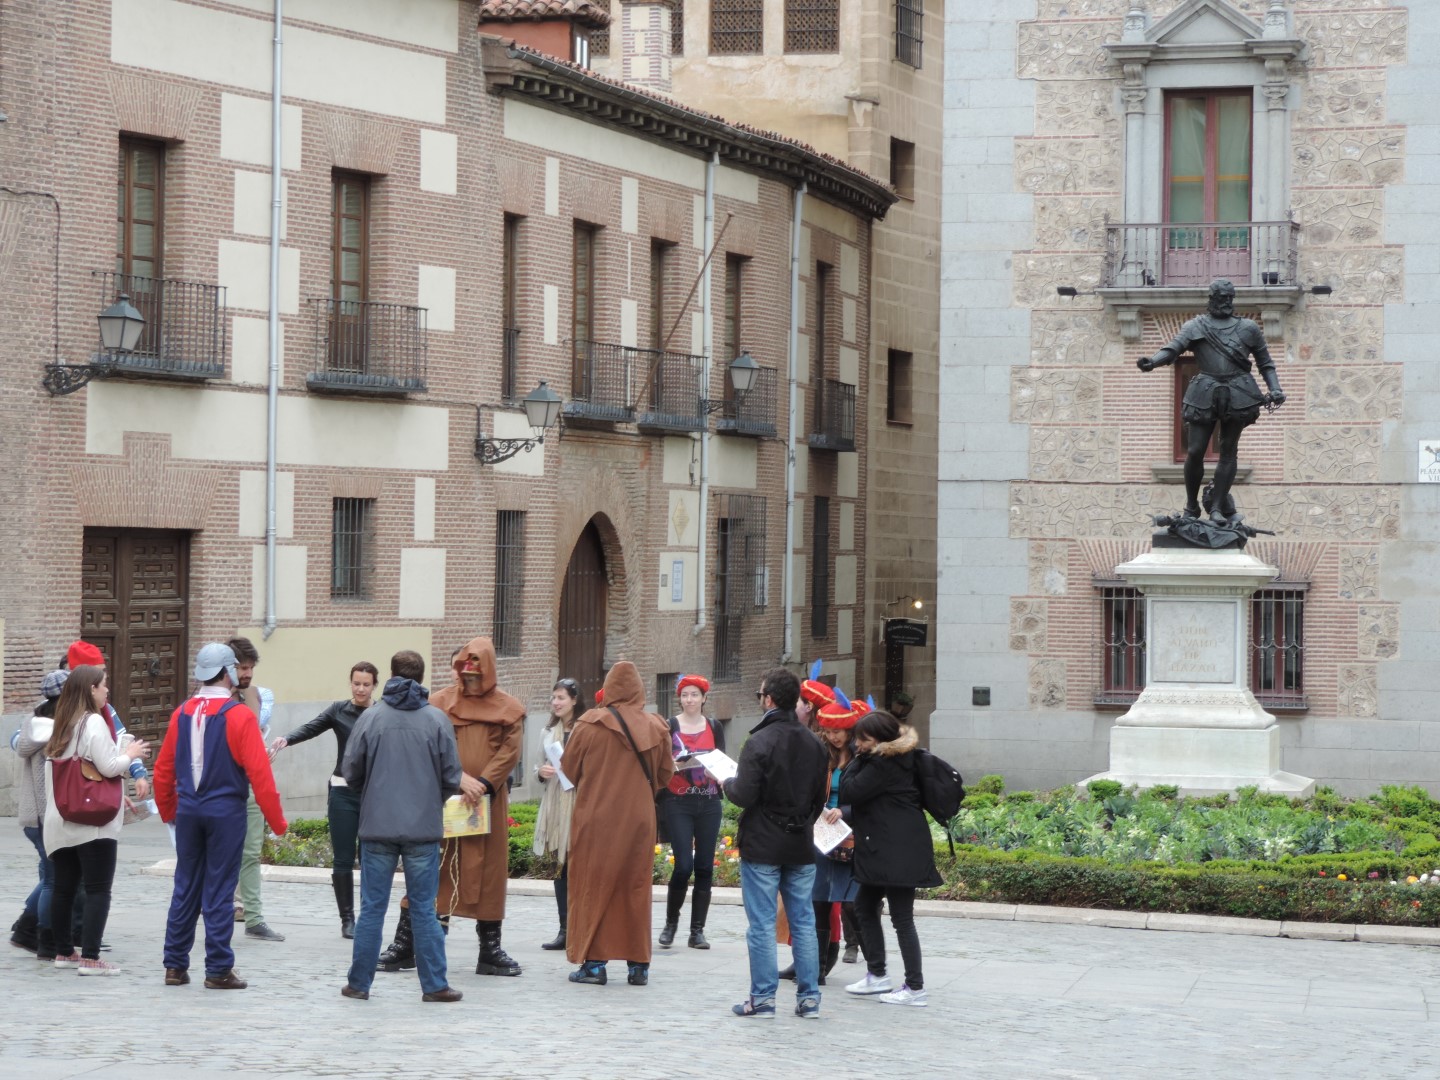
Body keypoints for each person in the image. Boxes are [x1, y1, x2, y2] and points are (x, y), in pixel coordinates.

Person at [154, 643, 288, 990]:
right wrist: (277, 823)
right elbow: (261, 775)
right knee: (219, 889)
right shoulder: (240, 715)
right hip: (226, 812)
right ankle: (217, 968)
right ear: (228, 672)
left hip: (189, 811)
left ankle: (174, 965)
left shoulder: (182, 712)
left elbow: (163, 770)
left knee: (185, 886)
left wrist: (171, 812)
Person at [340, 649, 464, 1002]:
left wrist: (373, 795)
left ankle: (359, 983)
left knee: (372, 909)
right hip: (422, 830)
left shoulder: (371, 718)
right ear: (421, 678)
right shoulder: (437, 720)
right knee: (425, 908)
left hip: (377, 827)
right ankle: (435, 985)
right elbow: (452, 776)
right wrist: (429, 802)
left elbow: (351, 771)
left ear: (391, 675)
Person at [723, 667, 829, 1019]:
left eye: (760, 694)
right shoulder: (815, 743)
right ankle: (809, 998)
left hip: (763, 844)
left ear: (768, 699)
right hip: (800, 843)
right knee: (803, 922)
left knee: (763, 924)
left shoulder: (759, 741)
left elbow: (742, 795)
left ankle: (763, 999)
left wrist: (726, 782)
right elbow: (819, 798)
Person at [562, 661, 675, 986]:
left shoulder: (589, 723)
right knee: (635, 889)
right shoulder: (656, 726)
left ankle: (595, 964)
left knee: (594, 886)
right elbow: (665, 775)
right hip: (639, 818)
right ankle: (638, 965)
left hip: (596, 817)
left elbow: (569, 770)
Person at [1137, 278, 1285, 523]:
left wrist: (1276, 388)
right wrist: (1152, 362)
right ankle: (1191, 506)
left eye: (1229, 298)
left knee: (1228, 450)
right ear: (1211, 299)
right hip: (1205, 389)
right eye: (1220, 298)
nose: (1225, 302)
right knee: (1195, 451)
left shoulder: (1248, 328)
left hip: (1238, 390)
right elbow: (1173, 349)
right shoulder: (1196, 325)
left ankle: (1216, 507)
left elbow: (1265, 363)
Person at [42, 665, 149, 976]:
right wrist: (131, 753)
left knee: (64, 888)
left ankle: (64, 951)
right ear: (90, 689)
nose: (107, 691)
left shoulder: (61, 724)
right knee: (99, 888)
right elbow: (110, 766)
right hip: (92, 821)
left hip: (60, 818)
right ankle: (90, 957)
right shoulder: (93, 724)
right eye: (103, 686)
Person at [831, 710, 942, 1008]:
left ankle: (915, 987)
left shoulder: (884, 762)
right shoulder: (889, 759)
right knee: (864, 905)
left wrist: (856, 758)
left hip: (899, 850)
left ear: (880, 741)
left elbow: (850, 790)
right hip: (889, 847)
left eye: (863, 740)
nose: (858, 744)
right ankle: (877, 974)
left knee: (902, 918)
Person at [430, 636, 525, 976]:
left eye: (474, 671)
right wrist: (458, 778)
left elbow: (509, 751)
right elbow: (434, 745)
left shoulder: (508, 708)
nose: (467, 677)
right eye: (463, 670)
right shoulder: (439, 703)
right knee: (436, 867)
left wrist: (483, 783)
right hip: (448, 799)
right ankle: (414, 942)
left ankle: (490, 948)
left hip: (487, 801)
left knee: (489, 874)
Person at [269, 660, 379, 939]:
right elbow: (311, 727)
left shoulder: (381, 714)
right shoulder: (338, 710)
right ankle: (347, 919)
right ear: (350, 682)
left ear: (374, 685)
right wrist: (286, 739)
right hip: (342, 790)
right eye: (356, 683)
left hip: (373, 794)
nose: (361, 689)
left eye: (366, 684)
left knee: (370, 857)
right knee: (343, 857)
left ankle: (368, 917)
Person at [779, 693, 866, 986]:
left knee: (854, 905)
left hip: (851, 835)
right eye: (828, 731)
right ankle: (814, 968)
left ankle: (874, 968)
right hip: (821, 835)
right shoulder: (821, 753)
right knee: (817, 902)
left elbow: (872, 798)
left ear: (850, 730)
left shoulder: (862, 757)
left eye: (838, 732)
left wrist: (845, 811)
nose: (833, 737)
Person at [659, 673, 726, 951]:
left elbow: (722, 760)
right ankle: (670, 923)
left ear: (704, 698)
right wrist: (675, 766)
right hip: (678, 801)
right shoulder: (670, 725)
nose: (689, 700)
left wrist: (718, 772)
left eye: (694, 695)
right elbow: (661, 762)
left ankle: (697, 931)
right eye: (685, 695)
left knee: (705, 867)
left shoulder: (714, 726)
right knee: (684, 865)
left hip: (709, 801)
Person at [10, 669, 68, 959]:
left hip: (31, 817)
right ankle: (43, 937)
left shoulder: (31, 725)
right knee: (53, 880)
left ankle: (26, 928)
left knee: (48, 875)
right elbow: (49, 783)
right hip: (47, 817)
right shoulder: (56, 730)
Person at [228, 636, 283, 941]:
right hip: (221, 786)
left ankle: (254, 917)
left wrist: (262, 755)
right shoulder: (213, 695)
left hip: (249, 785)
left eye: (250, 667)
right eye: (241, 667)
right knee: (218, 852)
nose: (247, 673)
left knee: (250, 852)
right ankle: (216, 908)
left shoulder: (254, 696)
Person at [534, 677, 583, 951]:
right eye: (553, 698)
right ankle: (564, 929)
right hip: (554, 804)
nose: (556, 703)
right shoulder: (546, 732)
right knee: (559, 869)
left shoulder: (585, 730)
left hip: (579, 803)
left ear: (575, 700)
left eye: (561, 698)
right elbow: (535, 770)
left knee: (579, 866)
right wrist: (541, 772)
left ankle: (580, 927)